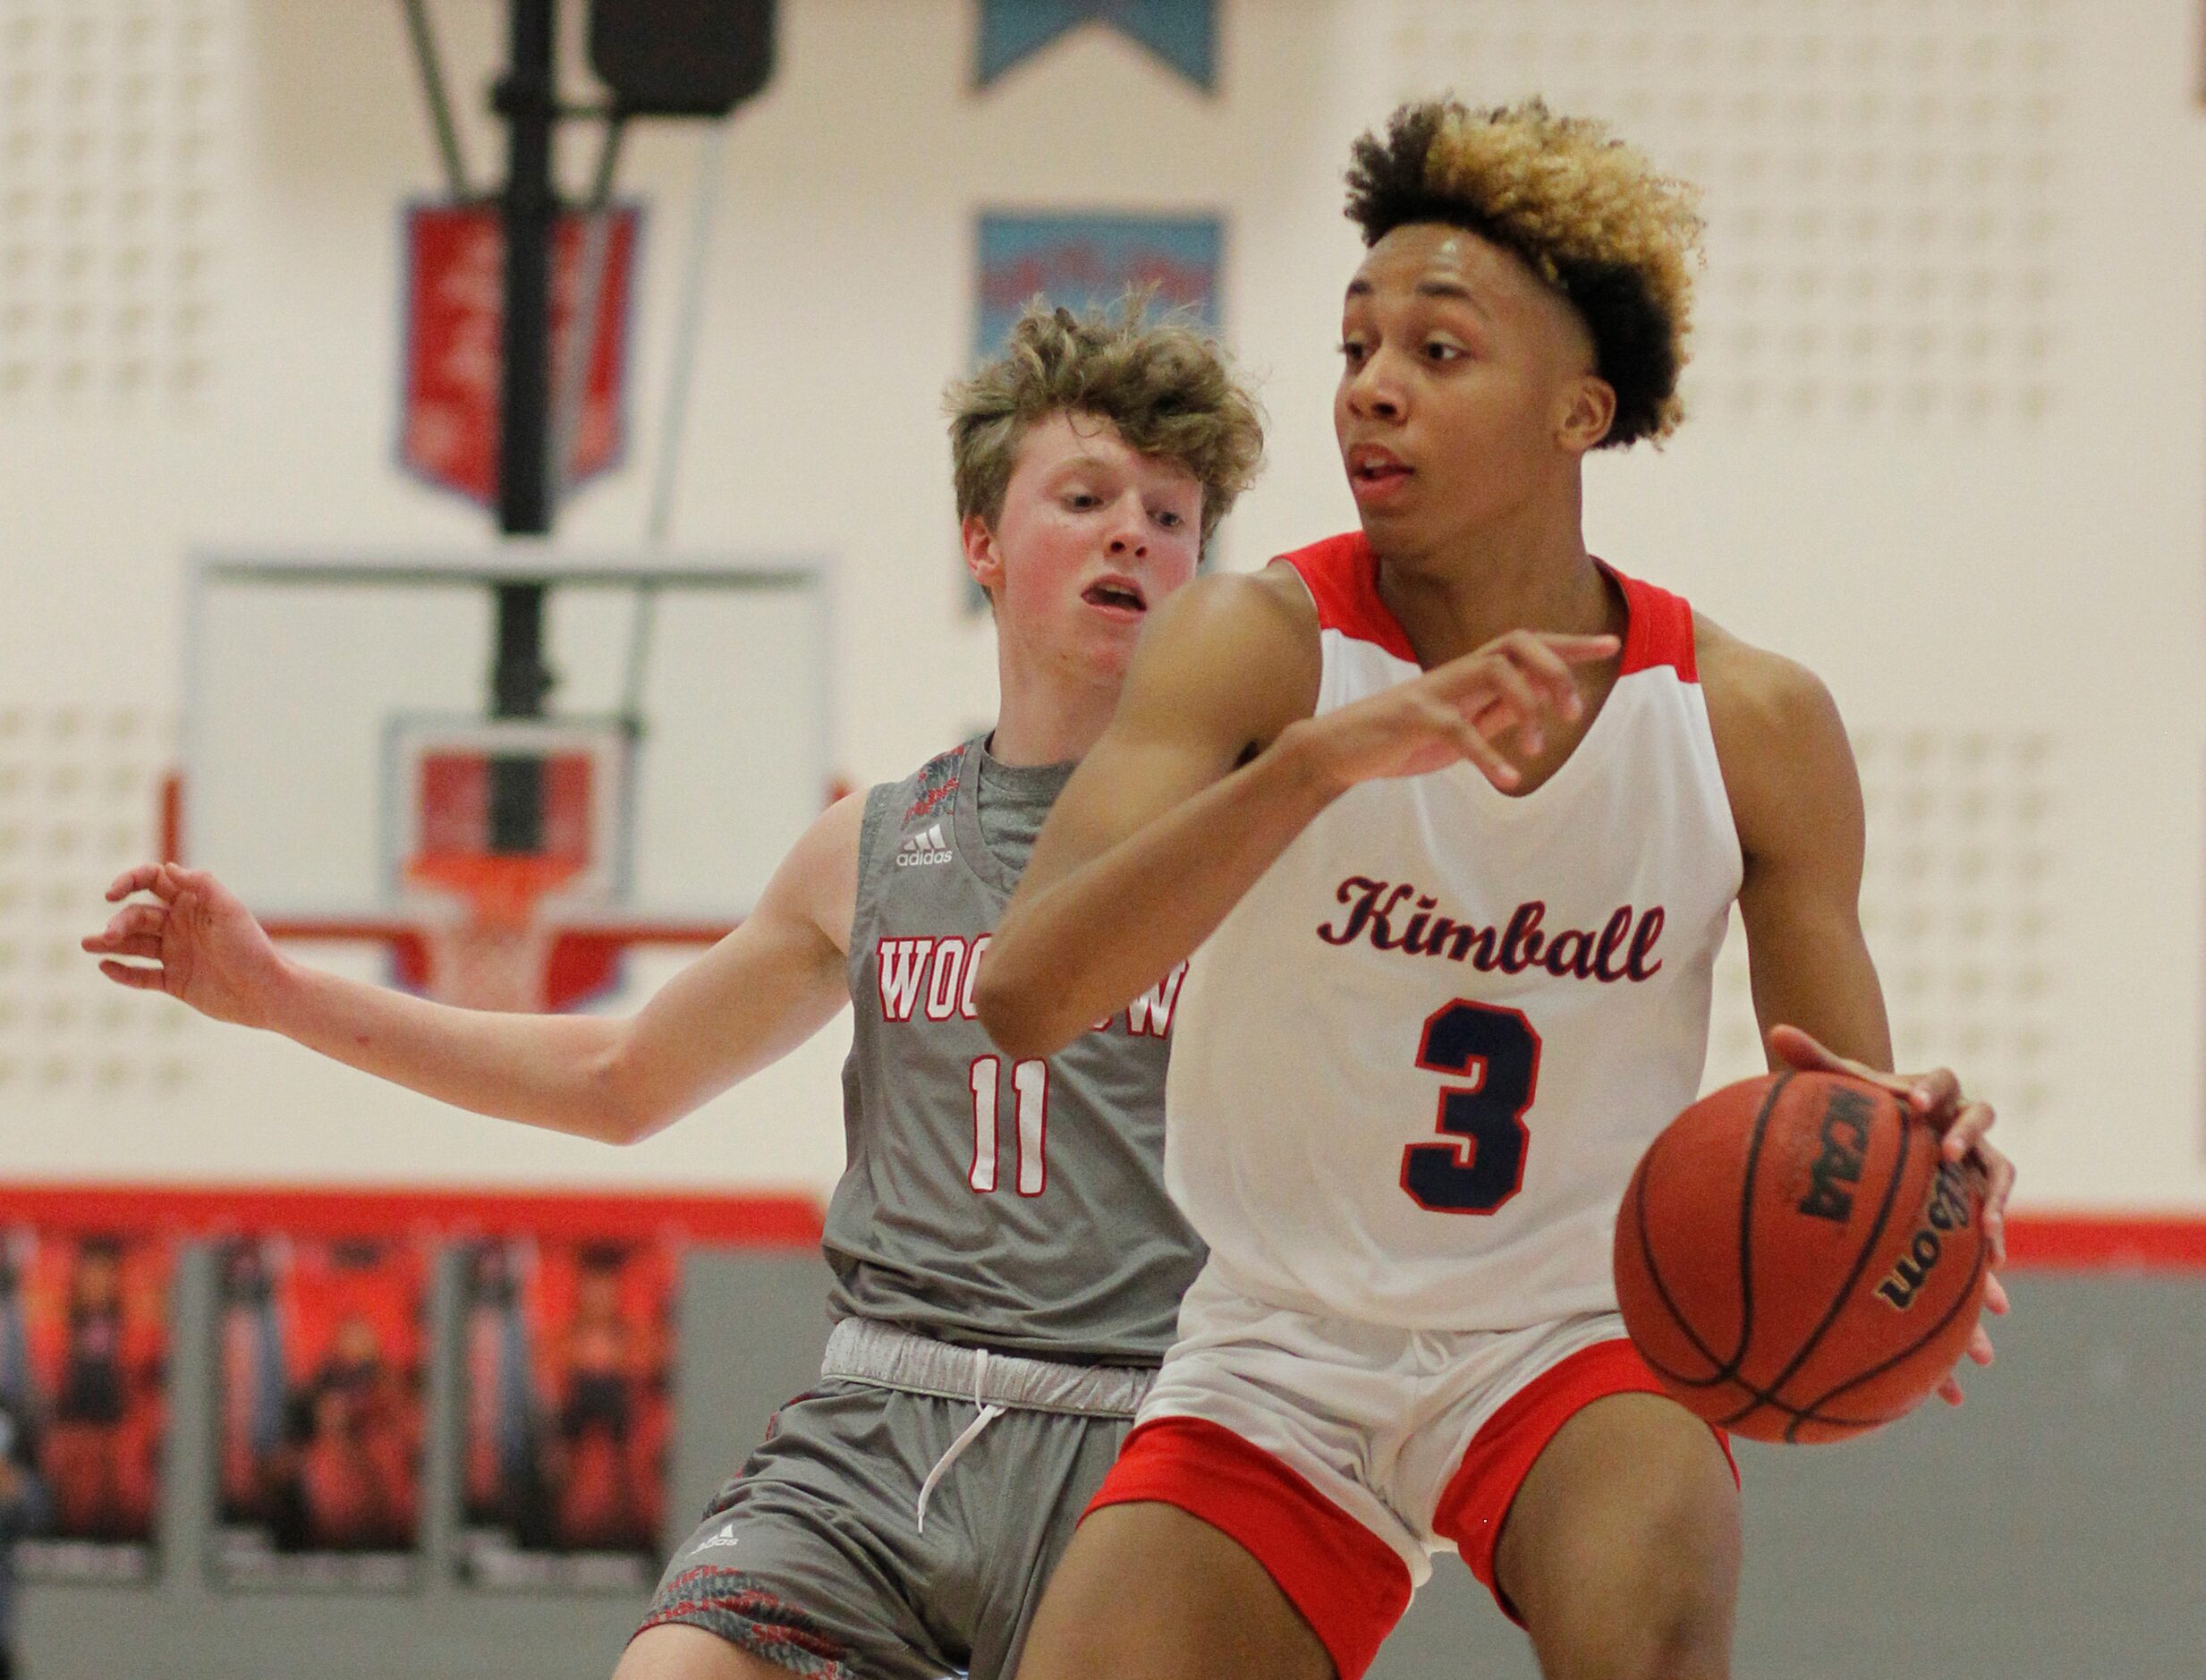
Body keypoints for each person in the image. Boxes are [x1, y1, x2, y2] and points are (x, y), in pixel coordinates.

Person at [977, 99, 2018, 1680]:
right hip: (1276, 1349)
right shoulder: (1251, 645)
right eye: (1354, 346)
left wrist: (1918, 1195)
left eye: (1438, 352)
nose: (1371, 387)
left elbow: (1843, 1113)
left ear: (1576, 412)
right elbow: (1025, 992)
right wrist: (1317, 766)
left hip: (1578, 1335)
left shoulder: (1743, 721)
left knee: (1648, 1622)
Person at [82, 299, 1264, 1680]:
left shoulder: (1254, 836)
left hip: (1150, 1438)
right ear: (982, 543)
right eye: (1085, 495)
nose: (1135, 530)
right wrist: (280, 996)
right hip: (882, 1434)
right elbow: (620, 1082)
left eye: (1173, 515)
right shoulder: (872, 849)